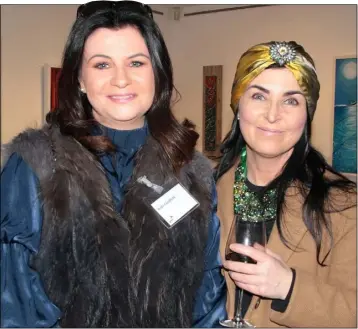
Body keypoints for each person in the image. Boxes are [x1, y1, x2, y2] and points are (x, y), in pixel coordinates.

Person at [0, 1, 227, 327]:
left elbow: (206, 295)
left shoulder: (192, 172)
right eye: (102, 65)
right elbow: (17, 306)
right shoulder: (37, 165)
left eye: (136, 62)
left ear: (157, 73)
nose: (121, 79)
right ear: (79, 78)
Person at [215, 41, 357, 327]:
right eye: (258, 96)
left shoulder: (344, 205)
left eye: (291, 100)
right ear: (238, 105)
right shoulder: (205, 189)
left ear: (307, 116)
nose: (273, 114)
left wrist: (289, 287)